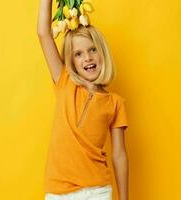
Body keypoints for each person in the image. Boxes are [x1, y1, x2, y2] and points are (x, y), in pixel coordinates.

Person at [37, 0, 129, 199]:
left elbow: (119, 155)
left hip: (97, 191)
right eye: (78, 54)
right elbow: (43, 34)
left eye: (92, 50)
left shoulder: (115, 103)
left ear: (102, 53)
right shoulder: (64, 81)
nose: (87, 57)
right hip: (58, 191)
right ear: (72, 61)